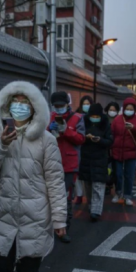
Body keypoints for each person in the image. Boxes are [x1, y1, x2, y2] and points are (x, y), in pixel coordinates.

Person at [0, 81, 67, 272]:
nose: (19, 106)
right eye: (15, 102)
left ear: (34, 108)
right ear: (7, 107)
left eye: (24, 103)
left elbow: (55, 181)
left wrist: (59, 219)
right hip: (5, 215)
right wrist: (1, 144)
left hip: (35, 217)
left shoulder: (46, 140)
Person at [48, 91, 85, 243]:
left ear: (67, 105)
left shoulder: (77, 118)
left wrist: (66, 131)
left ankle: (65, 229)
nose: (58, 109)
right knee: (50, 197)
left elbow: (81, 139)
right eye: (56, 106)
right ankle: (50, 228)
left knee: (66, 198)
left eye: (61, 106)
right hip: (51, 161)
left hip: (70, 164)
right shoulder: (49, 117)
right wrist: (49, 129)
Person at [111, 97, 136, 206]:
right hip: (117, 151)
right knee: (117, 174)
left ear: (135, 109)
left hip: (131, 152)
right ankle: (118, 193)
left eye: (131, 108)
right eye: (127, 108)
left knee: (129, 175)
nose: (129, 110)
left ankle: (127, 195)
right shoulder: (117, 119)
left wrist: (134, 128)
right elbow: (112, 133)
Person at [79, 103, 113, 221]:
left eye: (96, 116)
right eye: (92, 115)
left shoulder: (106, 124)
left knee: (98, 185)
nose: (94, 118)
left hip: (100, 159)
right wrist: (85, 137)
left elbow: (109, 141)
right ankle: (90, 205)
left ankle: (96, 211)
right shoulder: (83, 122)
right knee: (88, 185)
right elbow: (78, 137)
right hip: (86, 159)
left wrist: (100, 140)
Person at [75, 95, 94, 204]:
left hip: (90, 147)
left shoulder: (94, 116)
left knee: (86, 172)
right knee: (77, 172)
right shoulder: (77, 116)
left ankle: (88, 194)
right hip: (79, 146)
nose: (86, 106)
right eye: (84, 104)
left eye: (88, 104)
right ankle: (79, 194)